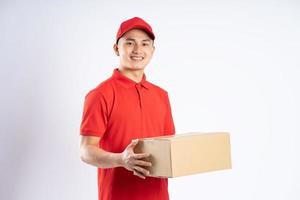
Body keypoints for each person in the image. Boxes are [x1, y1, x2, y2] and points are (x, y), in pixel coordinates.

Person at [79, 17, 175, 200]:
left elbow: (169, 148)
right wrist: (121, 160)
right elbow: (86, 151)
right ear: (117, 48)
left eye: (145, 44)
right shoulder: (100, 94)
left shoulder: (162, 96)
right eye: (130, 43)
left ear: (152, 50)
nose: (138, 50)